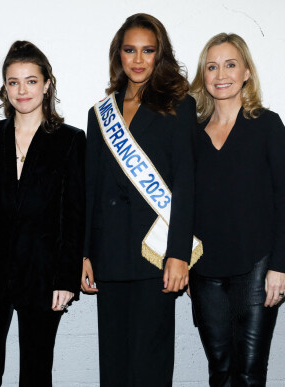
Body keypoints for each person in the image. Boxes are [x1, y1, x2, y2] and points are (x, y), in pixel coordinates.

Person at [0, 40, 85, 387]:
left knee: (37, 372)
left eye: (30, 81)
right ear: (4, 87)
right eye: (13, 82)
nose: (21, 90)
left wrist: (66, 279)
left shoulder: (70, 140)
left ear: (47, 84)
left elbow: (74, 215)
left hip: (43, 274)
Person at [82, 13, 200, 386]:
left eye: (147, 51)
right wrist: (85, 252)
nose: (137, 59)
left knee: (150, 363)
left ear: (159, 54)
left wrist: (179, 254)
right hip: (110, 255)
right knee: (114, 364)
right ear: (118, 55)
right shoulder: (100, 113)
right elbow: (92, 188)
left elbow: (186, 184)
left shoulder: (179, 106)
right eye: (129, 50)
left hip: (156, 252)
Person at [189, 33, 285, 386]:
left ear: (247, 72)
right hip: (204, 270)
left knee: (249, 372)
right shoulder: (191, 132)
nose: (221, 74)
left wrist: (279, 267)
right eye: (212, 66)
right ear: (203, 76)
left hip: (256, 266)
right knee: (219, 370)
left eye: (230, 65)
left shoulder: (268, 126)